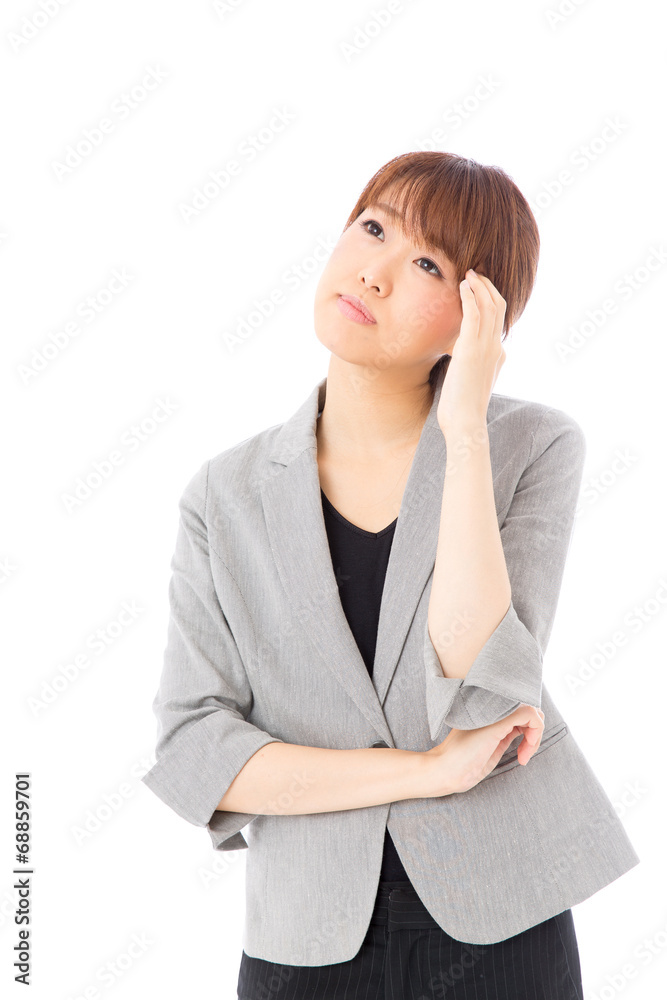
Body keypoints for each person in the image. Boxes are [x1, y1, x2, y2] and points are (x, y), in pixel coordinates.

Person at [141, 151, 640, 999]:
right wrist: (424, 772)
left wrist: (467, 428)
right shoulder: (223, 497)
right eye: (371, 228)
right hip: (304, 933)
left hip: (500, 917)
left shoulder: (534, 448)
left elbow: (481, 692)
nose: (372, 273)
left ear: (476, 315)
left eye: (425, 264)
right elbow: (195, 748)